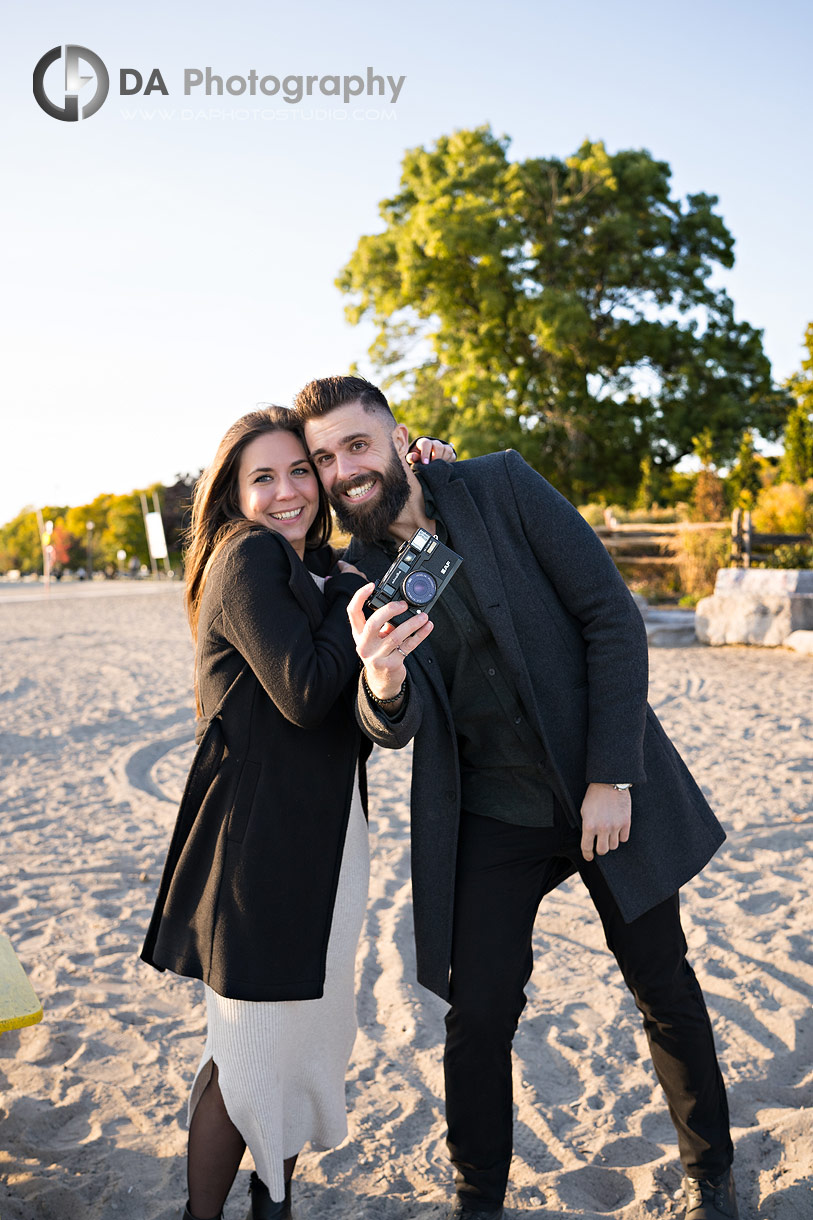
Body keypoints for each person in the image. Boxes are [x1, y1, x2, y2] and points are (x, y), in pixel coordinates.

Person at [292, 375, 740, 1220]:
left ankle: (711, 1176)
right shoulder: (352, 570)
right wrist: (380, 680)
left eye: (356, 444)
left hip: (599, 786)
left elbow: (610, 615)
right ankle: (478, 1200)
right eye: (323, 458)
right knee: (479, 1009)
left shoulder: (498, 483)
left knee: (663, 984)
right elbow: (393, 725)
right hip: (490, 810)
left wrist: (611, 777)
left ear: (396, 437)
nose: (343, 469)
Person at [141, 407, 445, 1220]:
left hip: (330, 837)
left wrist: (427, 488)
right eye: (263, 478)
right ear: (234, 496)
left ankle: (272, 1200)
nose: (287, 492)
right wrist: (357, 605)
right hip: (255, 847)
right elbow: (309, 694)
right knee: (247, 1052)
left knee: (300, 1046)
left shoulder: (322, 572)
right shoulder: (245, 559)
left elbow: (390, 686)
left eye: (298, 472)